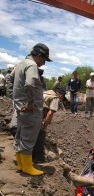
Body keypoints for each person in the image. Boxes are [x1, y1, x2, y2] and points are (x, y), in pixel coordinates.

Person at [13, 43, 52, 176]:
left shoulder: (21, 63)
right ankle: (28, 167)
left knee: (20, 136)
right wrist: (30, 103)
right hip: (30, 109)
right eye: (44, 59)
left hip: (20, 107)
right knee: (28, 139)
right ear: (39, 56)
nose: (44, 63)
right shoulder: (32, 65)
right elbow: (29, 83)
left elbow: (11, 79)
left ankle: (21, 165)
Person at [32, 87, 66, 163]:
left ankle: (29, 155)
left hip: (28, 112)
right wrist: (45, 126)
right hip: (36, 115)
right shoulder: (55, 97)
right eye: (63, 97)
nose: (62, 99)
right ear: (60, 95)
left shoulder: (44, 93)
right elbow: (50, 113)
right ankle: (39, 158)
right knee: (41, 133)